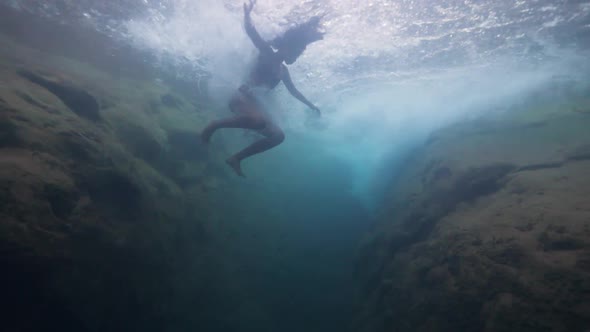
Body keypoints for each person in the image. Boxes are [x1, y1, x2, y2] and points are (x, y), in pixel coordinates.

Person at [201, 0, 324, 177]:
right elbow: (252, 33)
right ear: (285, 46)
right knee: (258, 121)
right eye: (297, 52)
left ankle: (236, 158)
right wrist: (247, 15)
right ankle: (213, 126)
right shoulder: (267, 53)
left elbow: (294, 91)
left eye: (299, 54)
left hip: (254, 105)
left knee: (278, 136)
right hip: (240, 97)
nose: (297, 57)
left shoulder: (283, 71)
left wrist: (311, 105)